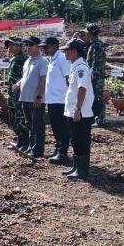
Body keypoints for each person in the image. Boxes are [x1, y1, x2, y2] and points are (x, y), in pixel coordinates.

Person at [61, 38, 95, 179]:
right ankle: (76, 166)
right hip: (74, 111)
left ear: (74, 51)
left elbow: (82, 89)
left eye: (67, 50)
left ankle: (82, 170)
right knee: (75, 140)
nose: (65, 53)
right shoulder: (75, 66)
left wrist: (78, 109)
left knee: (81, 140)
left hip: (81, 113)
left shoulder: (81, 68)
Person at [13, 36, 48, 157]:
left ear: (38, 46)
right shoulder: (28, 61)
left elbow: (44, 80)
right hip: (25, 98)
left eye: (30, 45)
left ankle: (37, 151)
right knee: (29, 124)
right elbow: (25, 77)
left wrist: (39, 97)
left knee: (37, 125)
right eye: (26, 45)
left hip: (36, 99)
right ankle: (31, 147)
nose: (27, 47)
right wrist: (18, 84)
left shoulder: (43, 62)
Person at [43, 37, 71, 165]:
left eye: (46, 47)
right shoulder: (52, 59)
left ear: (54, 46)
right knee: (55, 127)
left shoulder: (62, 58)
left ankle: (63, 152)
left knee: (62, 127)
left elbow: (68, 79)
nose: (44, 49)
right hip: (52, 99)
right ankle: (58, 148)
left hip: (61, 100)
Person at [4, 38, 27, 151]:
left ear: (19, 45)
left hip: (19, 94)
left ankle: (24, 142)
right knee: (14, 117)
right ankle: (20, 141)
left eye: (12, 45)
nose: (10, 47)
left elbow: (24, 77)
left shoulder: (23, 59)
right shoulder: (14, 58)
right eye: (8, 45)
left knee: (20, 118)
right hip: (12, 93)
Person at [83, 23, 107, 126]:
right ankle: (96, 118)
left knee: (98, 97)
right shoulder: (94, 44)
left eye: (86, 33)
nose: (86, 35)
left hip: (96, 77)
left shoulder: (96, 45)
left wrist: (91, 76)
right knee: (95, 97)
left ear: (90, 33)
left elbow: (96, 64)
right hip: (94, 75)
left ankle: (101, 120)